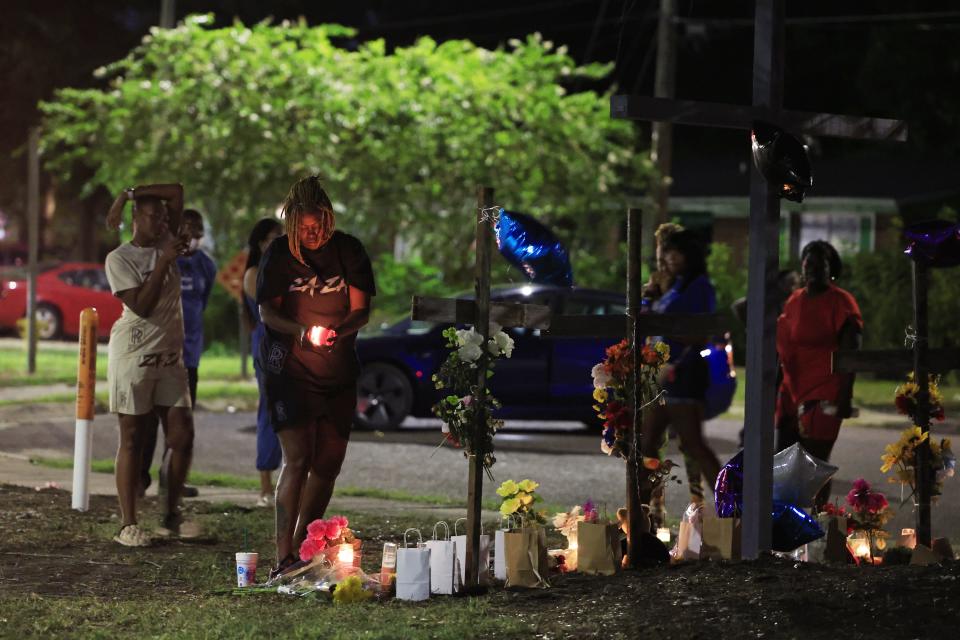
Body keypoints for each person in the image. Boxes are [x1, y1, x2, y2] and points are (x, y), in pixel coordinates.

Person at [255, 176, 375, 577]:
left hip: (337, 370)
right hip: (289, 369)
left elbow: (362, 308)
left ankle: (308, 548)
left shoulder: (349, 250)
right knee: (299, 457)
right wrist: (303, 332)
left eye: (321, 223)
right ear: (292, 225)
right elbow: (267, 312)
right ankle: (282, 555)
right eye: (306, 227)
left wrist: (339, 330)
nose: (315, 233)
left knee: (328, 462)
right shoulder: (278, 256)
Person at [103, 183, 196, 547]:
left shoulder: (168, 239)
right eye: (151, 215)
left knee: (182, 436)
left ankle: (171, 516)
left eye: (163, 215)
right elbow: (140, 305)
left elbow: (175, 189)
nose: (160, 220)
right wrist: (162, 263)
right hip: (133, 357)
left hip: (171, 360)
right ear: (135, 220)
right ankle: (128, 523)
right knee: (133, 439)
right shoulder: (120, 258)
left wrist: (127, 192)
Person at [639, 230, 722, 519]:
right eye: (668, 252)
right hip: (663, 372)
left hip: (683, 372)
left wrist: (674, 358)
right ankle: (642, 508)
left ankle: (733, 505)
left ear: (691, 256)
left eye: (677, 252)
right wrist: (648, 300)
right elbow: (653, 321)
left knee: (693, 444)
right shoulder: (675, 287)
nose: (671, 258)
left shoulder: (699, 287)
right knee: (647, 441)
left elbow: (700, 333)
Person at [776, 240, 862, 510]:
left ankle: (818, 529)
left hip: (825, 391)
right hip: (791, 392)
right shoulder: (794, 300)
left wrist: (845, 398)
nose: (813, 268)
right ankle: (788, 533)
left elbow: (851, 355)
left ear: (830, 268)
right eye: (808, 262)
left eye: (820, 263)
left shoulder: (841, 302)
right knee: (786, 464)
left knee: (815, 468)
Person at [139, 209, 217, 498]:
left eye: (198, 232)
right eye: (188, 230)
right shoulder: (163, 259)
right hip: (159, 353)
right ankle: (139, 479)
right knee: (147, 423)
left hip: (189, 356)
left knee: (181, 425)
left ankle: (171, 480)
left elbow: (203, 301)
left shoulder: (206, 266)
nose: (193, 237)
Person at [242, 217, 284, 507]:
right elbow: (269, 308)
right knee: (269, 411)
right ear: (260, 242)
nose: (278, 241)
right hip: (268, 346)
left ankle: (287, 481)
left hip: (289, 345)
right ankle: (265, 486)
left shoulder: (286, 270)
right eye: (272, 237)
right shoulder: (254, 273)